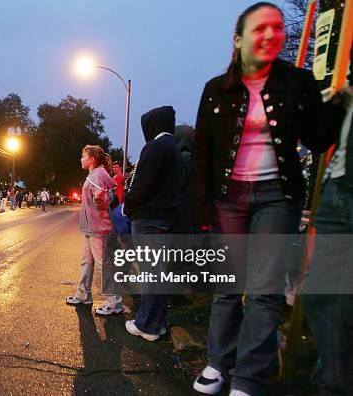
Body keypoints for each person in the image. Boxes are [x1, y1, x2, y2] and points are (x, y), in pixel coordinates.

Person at [192, 3, 335, 395]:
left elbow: (319, 139)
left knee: (264, 291)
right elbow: (202, 152)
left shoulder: (298, 83)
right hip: (229, 197)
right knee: (227, 286)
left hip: (277, 196)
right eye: (259, 29)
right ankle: (218, 362)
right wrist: (203, 208)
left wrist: (335, 104)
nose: (271, 34)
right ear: (238, 40)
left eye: (276, 27)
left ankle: (248, 377)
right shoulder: (214, 89)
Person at [302, 85, 353, 396]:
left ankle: (335, 384)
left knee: (340, 302)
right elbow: (318, 139)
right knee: (319, 295)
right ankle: (335, 381)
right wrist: (334, 103)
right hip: (337, 184)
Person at [123, 106, 182, 342]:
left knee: (150, 274)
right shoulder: (173, 148)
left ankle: (146, 324)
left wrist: (127, 205)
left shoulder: (155, 148)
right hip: (164, 218)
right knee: (158, 273)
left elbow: (140, 184)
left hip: (148, 217)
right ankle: (158, 322)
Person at [66, 145, 123, 315]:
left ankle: (114, 302)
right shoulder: (97, 174)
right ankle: (84, 294)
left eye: (83, 156)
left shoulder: (97, 175)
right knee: (87, 262)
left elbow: (104, 200)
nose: (81, 159)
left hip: (97, 227)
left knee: (103, 263)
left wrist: (100, 199)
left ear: (91, 159)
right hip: (92, 227)